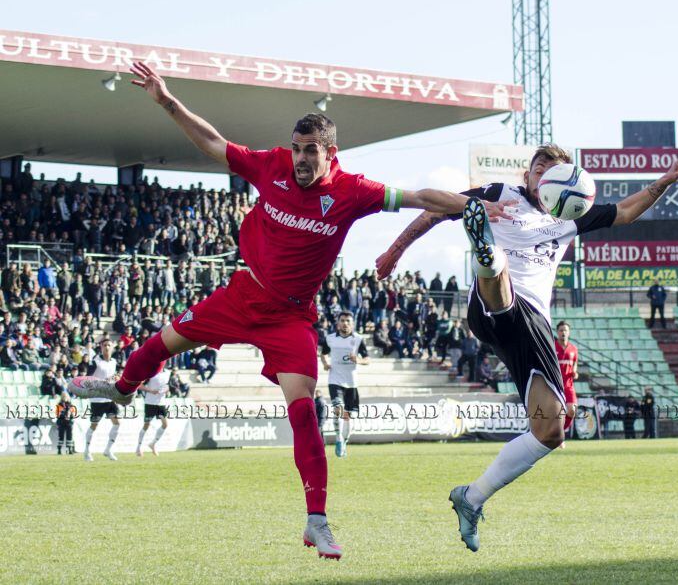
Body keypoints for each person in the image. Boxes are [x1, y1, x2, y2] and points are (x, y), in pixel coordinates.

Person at [68, 60, 510, 561]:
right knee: (158, 345)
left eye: (310, 151)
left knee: (304, 413)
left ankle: (316, 521)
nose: (300, 159)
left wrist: (469, 206)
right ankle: (124, 392)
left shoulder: (353, 192)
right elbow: (215, 144)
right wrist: (168, 102)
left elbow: (418, 196)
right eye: (297, 148)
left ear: (330, 153)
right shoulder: (272, 164)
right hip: (241, 296)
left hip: (291, 318)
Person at [376, 143, 678, 552]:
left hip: (533, 328)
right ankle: (487, 253)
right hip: (496, 304)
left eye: (554, 167)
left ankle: (471, 497)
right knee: (499, 278)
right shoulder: (500, 194)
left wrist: (666, 181)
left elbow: (624, 211)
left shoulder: (571, 215)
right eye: (539, 166)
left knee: (551, 430)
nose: (545, 172)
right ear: (528, 176)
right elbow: (435, 210)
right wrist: (395, 250)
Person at [319, 311, 368, 458]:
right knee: (338, 410)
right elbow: (323, 353)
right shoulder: (330, 338)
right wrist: (325, 364)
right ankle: (339, 438)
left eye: (348, 321)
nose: (345, 323)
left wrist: (358, 360)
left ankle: (344, 442)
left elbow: (367, 359)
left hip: (352, 383)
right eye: (342, 320)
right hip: (335, 380)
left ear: (352, 323)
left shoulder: (358, 339)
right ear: (338, 323)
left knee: (349, 417)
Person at [83, 337, 121, 462]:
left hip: (109, 398)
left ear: (112, 347)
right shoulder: (96, 362)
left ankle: (108, 450)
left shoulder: (114, 362)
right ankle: (87, 451)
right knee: (94, 425)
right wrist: (104, 381)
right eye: (105, 345)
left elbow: (113, 378)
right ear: (101, 347)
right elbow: (88, 379)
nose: (107, 347)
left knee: (117, 423)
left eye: (109, 345)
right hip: (97, 398)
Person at [137, 362, 170, 457]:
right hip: (150, 402)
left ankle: (153, 444)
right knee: (146, 425)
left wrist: (166, 390)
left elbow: (168, 385)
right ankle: (139, 447)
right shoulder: (151, 372)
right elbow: (139, 385)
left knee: (165, 424)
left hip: (161, 403)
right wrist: (151, 391)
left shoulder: (167, 372)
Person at [554, 321, 579, 437]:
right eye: (561, 330)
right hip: (554, 385)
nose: (563, 332)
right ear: (557, 332)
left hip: (568, 385)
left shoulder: (573, 349)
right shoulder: (552, 347)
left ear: (569, 333)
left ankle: (560, 433)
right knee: (552, 413)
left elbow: (575, 365)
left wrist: (575, 373)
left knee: (572, 410)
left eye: (565, 330)